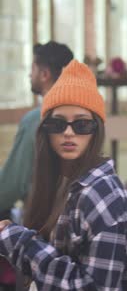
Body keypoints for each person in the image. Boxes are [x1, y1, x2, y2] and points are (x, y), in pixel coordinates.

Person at [0, 59, 127, 291]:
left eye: (82, 124)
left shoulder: (102, 197)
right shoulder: (67, 181)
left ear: (97, 129)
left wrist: (18, 241)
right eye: (57, 124)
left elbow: (91, 290)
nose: (68, 132)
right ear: (44, 130)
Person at [0, 40, 74, 221]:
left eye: (32, 69)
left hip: (41, 224)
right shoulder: (84, 120)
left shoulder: (36, 120)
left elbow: (11, 187)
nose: (28, 74)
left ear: (44, 74)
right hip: (75, 218)